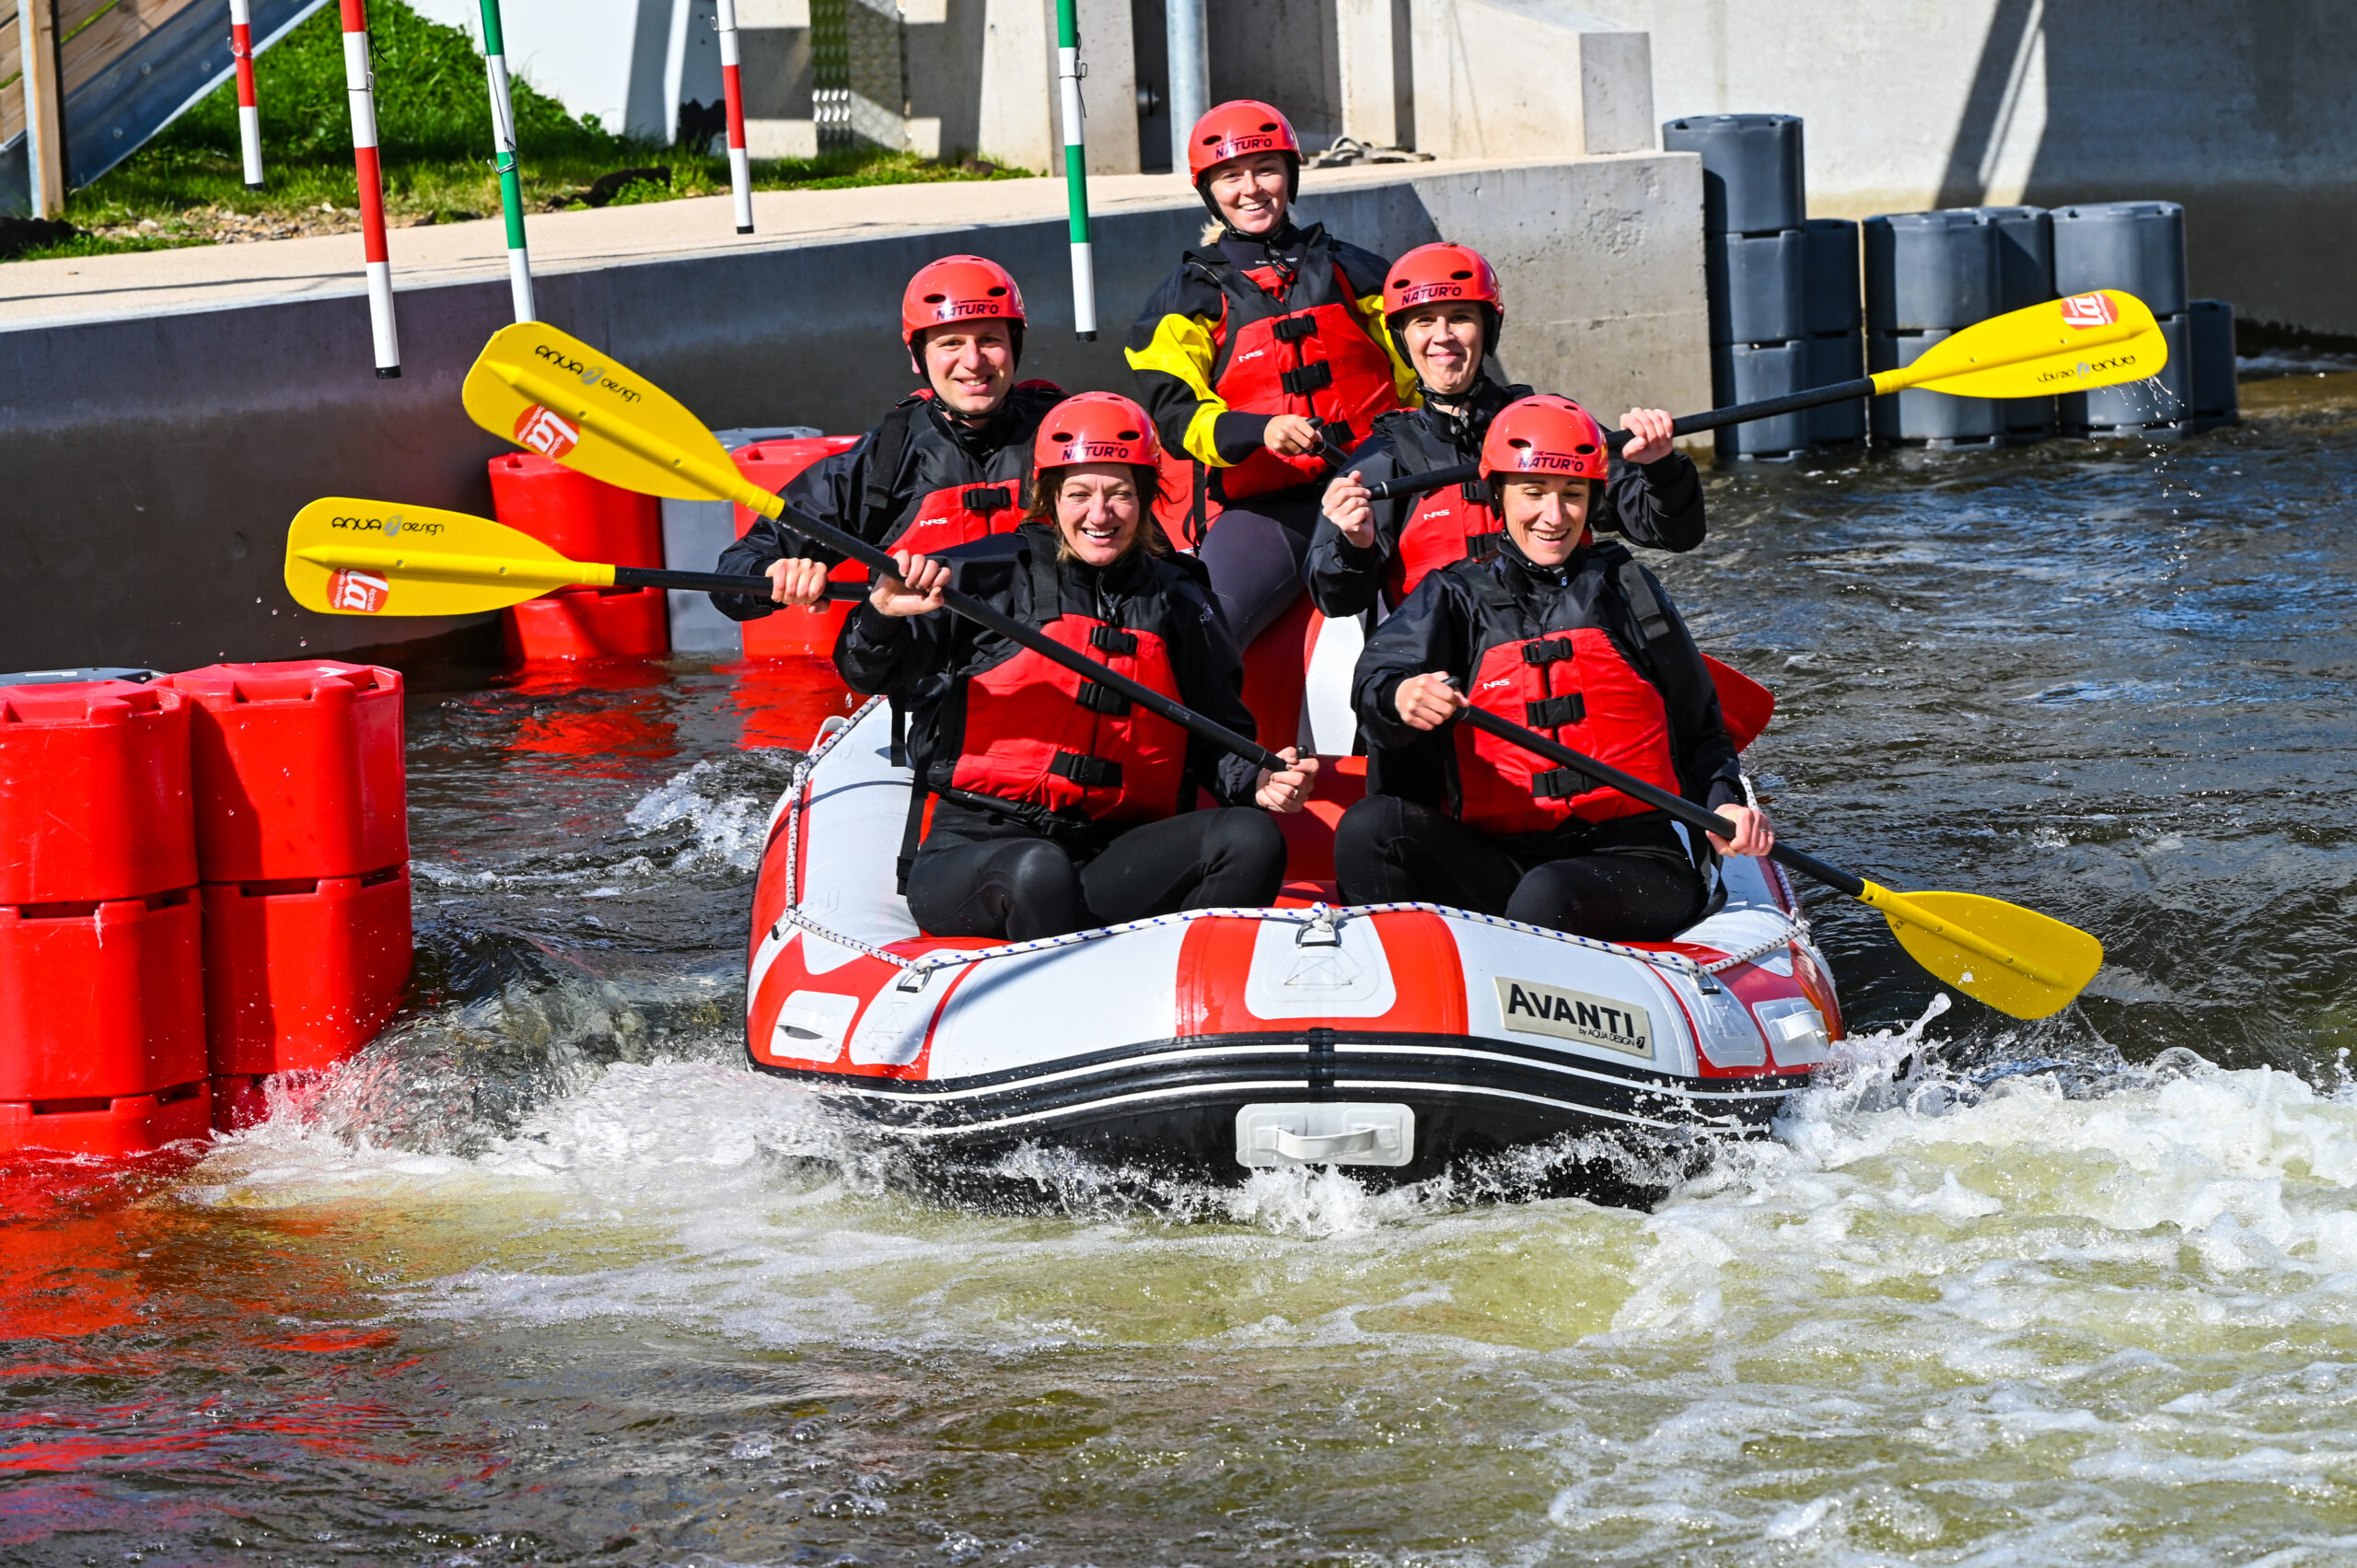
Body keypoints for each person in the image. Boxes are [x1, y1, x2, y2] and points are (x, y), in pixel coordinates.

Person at [835, 391, 1321, 941]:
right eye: (1079, 494)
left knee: (1251, 837)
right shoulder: (985, 577)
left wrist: (1255, 778)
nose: (1100, 513)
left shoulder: (1180, 601)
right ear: (1049, 497)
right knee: (1039, 869)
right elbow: (866, 672)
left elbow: (1218, 734)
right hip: (981, 847)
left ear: (1144, 499)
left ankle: (1178, 986)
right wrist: (879, 617)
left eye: (1119, 494)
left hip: (1111, 850)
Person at [1333, 394, 1772, 940]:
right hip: (1500, 857)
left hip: (1633, 858)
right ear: (1499, 495)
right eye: (1533, 493)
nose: (1553, 516)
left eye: (1572, 495)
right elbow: (1375, 682)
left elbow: (1699, 722)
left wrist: (1725, 804)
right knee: (1369, 829)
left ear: (1592, 500)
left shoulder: (1624, 588)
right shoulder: (1451, 594)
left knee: (1549, 892)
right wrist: (1400, 697)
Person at [1125, 99, 1417, 646]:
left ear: (1291, 175)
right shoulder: (1182, 302)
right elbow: (1177, 419)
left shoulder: (1358, 271)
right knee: (1204, 631)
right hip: (1268, 508)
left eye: (1267, 170)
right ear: (1208, 188)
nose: (1252, 188)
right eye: (1231, 176)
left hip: (1380, 487)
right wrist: (1260, 430)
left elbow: (1417, 381)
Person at [1307, 242, 1705, 619]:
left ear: (1488, 329)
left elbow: (1674, 534)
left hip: (1564, 632)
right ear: (1402, 338)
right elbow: (1336, 600)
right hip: (1452, 657)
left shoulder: (1557, 424)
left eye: (1460, 318)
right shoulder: (1382, 458)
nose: (1442, 337)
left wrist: (1662, 470)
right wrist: (1353, 547)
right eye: (1424, 321)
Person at [713, 254, 1063, 618]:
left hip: (1054, 660)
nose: (973, 361)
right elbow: (735, 576)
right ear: (918, 357)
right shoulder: (885, 460)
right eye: (951, 343)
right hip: (933, 668)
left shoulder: (1071, 435)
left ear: (1015, 346)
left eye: (989, 339)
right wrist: (773, 574)